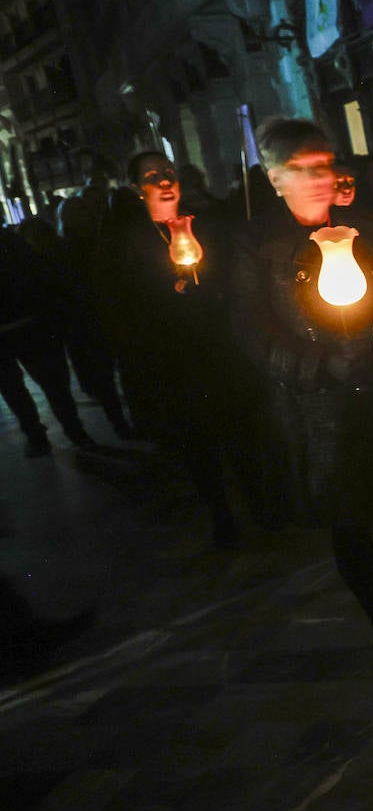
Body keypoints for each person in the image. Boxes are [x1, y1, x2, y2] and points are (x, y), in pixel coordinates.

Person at [229, 118, 373, 682]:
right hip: (316, 411)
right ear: (274, 178)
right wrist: (317, 366)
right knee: (349, 522)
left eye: (324, 165)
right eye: (300, 169)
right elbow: (252, 332)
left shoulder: (365, 230)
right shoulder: (257, 244)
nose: (316, 179)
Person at [94, 153, 243, 548]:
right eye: (152, 176)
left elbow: (233, 275)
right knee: (197, 439)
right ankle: (220, 512)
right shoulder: (128, 243)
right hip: (174, 356)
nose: (164, 181)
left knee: (238, 427)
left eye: (169, 173)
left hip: (219, 346)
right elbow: (123, 309)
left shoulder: (204, 225)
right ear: (135, 189)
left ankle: (258, 500)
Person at [0, 224, 98, 457]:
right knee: (54, 385)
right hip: (31, 325)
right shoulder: (14, 244)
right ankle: (76, 432)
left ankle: (37, 436)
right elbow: (41, 278)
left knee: (14, 390)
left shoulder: (14, 244)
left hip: (14, 330)